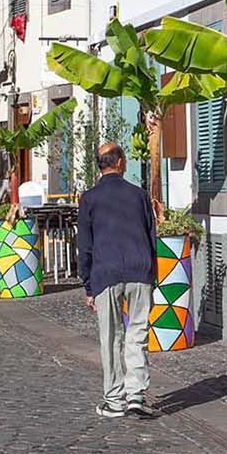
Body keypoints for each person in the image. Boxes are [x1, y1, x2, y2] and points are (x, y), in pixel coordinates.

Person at [77, 142, 158, 419]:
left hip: (106, 274)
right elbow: (151, 236)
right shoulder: (139, 195)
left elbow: (85, 245)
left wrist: (87, 285)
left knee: (110, 338)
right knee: (138, 335)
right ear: (121, 162)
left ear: (99, 166)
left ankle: (114, 400)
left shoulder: (89, 199)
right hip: (139, 271)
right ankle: (135, 396)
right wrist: (153, 275)